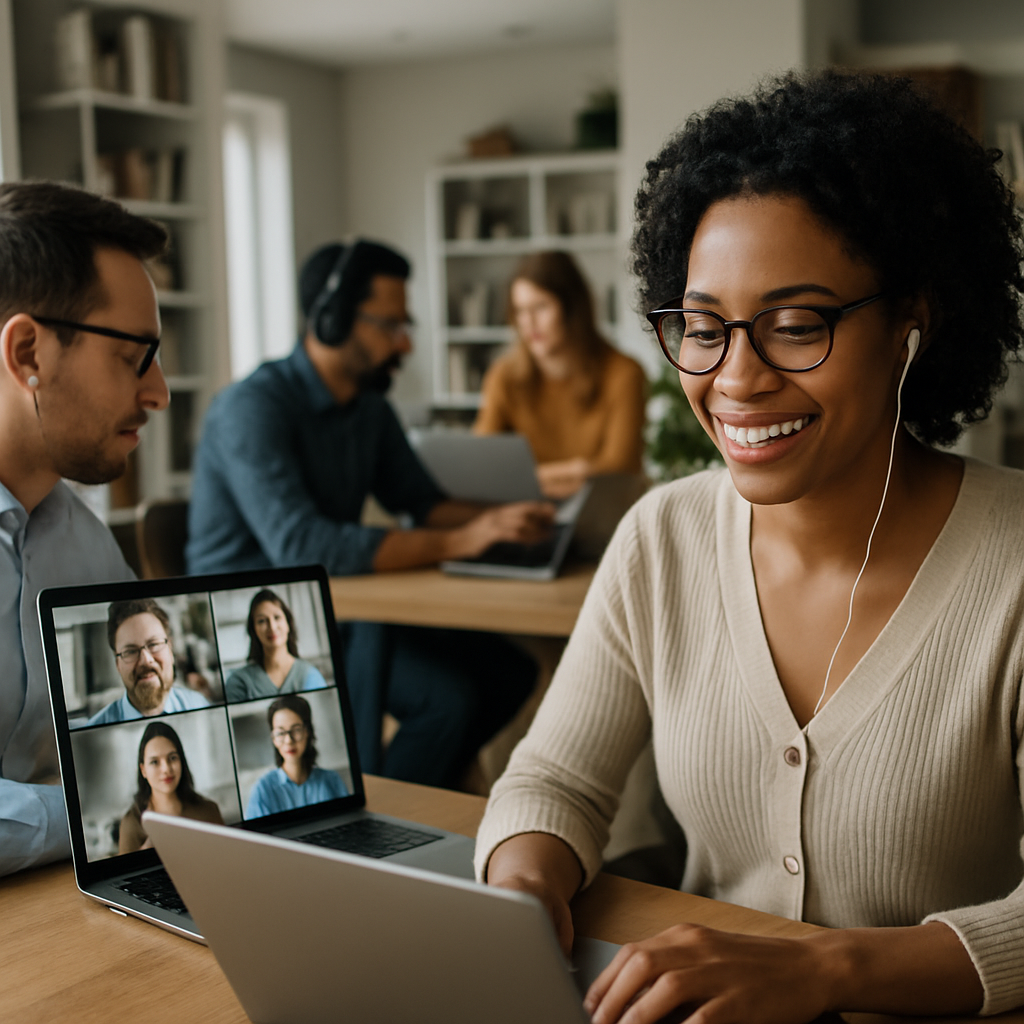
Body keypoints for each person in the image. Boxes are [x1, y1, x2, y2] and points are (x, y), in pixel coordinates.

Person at [475, 70, 1024, 1022]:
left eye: (797, 325)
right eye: (701, 327)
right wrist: (522, 891)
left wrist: (826, 972)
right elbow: (555, 778)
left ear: (911, 325)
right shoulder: (663, 537)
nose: (736, 379)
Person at [187, 239, 545, 787]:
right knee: (448, 701)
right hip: (257, 623)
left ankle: (426, 793)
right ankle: (375, 829)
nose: (403, 342)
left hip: (338, 607)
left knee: (510, 672)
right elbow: (304, 546)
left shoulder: (369, 410)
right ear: (331, 320)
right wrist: (460, 540)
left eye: (406, 325)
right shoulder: (250, 408)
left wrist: (507, 520)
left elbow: (424, 505)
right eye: (388, 325)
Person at [0, 181, 170, 876]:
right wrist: (94, 813)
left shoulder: (85, 542)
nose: (158, 392)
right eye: (134, 356)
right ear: (30, 355)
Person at [474, 251, 647, 499]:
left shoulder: (623, 373)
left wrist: (525, 479)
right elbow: (482, 465)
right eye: (521, 311)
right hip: (527, 512)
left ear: (572, 309)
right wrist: (580, 470)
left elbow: (619, 470)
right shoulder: (503, 376)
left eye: (540, 307)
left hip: (600, 511)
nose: (529, 323)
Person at [87, 599, 211, 725]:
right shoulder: (93, 733)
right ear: (117, 664)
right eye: (130, 651)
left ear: (170, 649)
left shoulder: (201, 707)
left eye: (153, 644)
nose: (145, 660)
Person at [118, 721, 224, 854]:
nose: (166, 769)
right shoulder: (132, 824)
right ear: (143, 770)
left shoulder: (209, 811)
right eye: (155, 762)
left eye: (172, 758)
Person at [246, 694, 349, 817]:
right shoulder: (262, 789)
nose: (289, 740)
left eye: (296, 729)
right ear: (273, 738)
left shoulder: (332, 780)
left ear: (307, 732)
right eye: (280, 733)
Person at [225, 588, 328, 702]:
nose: (272, 627)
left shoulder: (310, 675)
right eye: (262, 621)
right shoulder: (239, 682)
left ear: (288, 624)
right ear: (253, 630)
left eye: (277, 617)